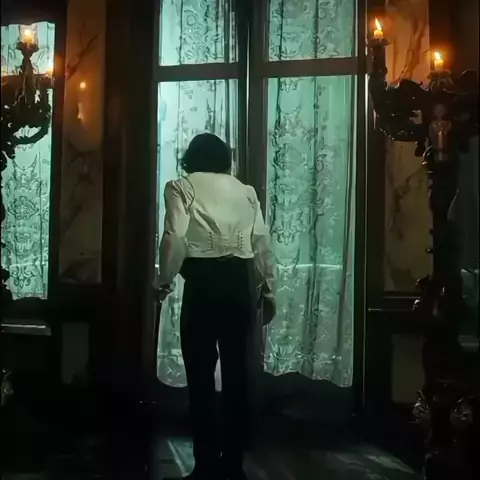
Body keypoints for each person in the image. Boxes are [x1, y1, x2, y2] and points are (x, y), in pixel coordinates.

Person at [156, 133, 276, 480]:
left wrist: (163, 280)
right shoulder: (246, 191)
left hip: (204, 284)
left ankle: (204, 464)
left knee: (200, 377)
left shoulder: (181, 187)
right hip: (240, 283)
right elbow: (261, 243)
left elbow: (175, 236)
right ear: (226, 159)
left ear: (190, 158)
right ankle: (233, 464)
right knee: (238, 377)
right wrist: (269, 289)